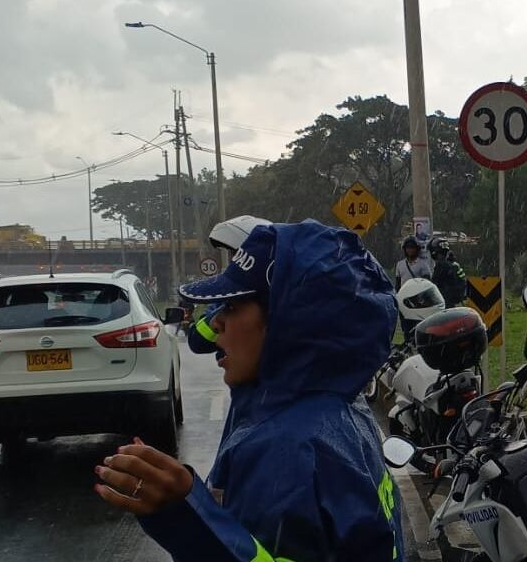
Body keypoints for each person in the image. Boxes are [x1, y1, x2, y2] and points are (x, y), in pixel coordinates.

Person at [94, 221, 404, 561]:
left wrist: (187, 516)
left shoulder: (287, 448)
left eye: (232, 306)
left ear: (289, 323)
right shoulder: (346, 409)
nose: (215, 323)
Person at [187, 215, 271, 356]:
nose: (234, 260)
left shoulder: (284, 297)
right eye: (233, 254)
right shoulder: (226, 294)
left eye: (238, 254)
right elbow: (197, 342)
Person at [429, 237, 468, 307]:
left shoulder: (443, 267)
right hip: (456, 303)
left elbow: (434, 286)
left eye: (442, 253)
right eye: (441, 254)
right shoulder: (454, 265)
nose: (441, 256)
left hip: (446, 304)